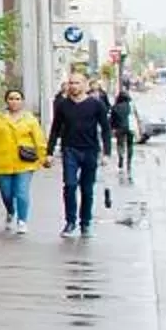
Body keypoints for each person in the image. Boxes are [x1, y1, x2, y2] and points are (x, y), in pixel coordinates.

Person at [45, 70, 112, 238]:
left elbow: (105, 129)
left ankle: (85, 223)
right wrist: (50, 152)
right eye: (71, 83)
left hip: (90, 149)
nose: (73, 86)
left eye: (77, 83)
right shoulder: (63, 105)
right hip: (70, 149)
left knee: (87, 188)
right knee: (70, 185)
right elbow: (55, 129)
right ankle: (70, 221)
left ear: (85, 85)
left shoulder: (96, 105)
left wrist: (106, 153)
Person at [0, 85, 48, 234]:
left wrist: (44, 158)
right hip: (3, 161)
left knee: (22, 192)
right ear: (6, 101)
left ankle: (22, 221)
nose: (14, 101)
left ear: (22, 101)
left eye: (17, 99)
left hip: (25, 162)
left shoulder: (30, 119)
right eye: (11, 99)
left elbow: (39, 140)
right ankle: (10, 211)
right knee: (6, 193)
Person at [109, 80, 139, 182]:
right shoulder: (131, 106)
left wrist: (112, 129)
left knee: (120, 144)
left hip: (119, 128)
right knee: (130, 145)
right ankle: (129, 162)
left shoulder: (115, 107)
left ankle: (121, 158)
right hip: (130, 128)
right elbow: (136, 118)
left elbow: (112, 120)